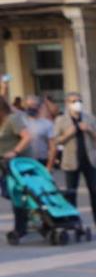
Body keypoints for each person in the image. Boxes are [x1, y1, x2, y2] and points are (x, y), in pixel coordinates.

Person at [50, 92, 96, 229]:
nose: (77, 103)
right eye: (73, 101)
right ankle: (72, 220)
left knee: (94, 191)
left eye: (79, 100)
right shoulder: (61, 120)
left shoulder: (88, 118)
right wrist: (68, 134)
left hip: (89, 160)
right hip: (71, 161)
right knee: (71, 192)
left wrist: (89, 130)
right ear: (67, 104)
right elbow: (55, 140)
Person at [1, 97, 34, 243]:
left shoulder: (12, 119)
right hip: (3, 166)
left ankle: (20, 228)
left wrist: (15, 151)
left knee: (17, 195)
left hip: (17, 165)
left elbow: (27, 137)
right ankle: (28, 216)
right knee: (10, 193)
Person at [22, 97, 53, 166]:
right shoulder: (20, 122)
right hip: (24, 161)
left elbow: (52, 146)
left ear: (39, 107)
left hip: (42, 160)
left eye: (33, 105)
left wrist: (49, 166)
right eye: (28, 105)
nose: (30, 107)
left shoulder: (47, 123)